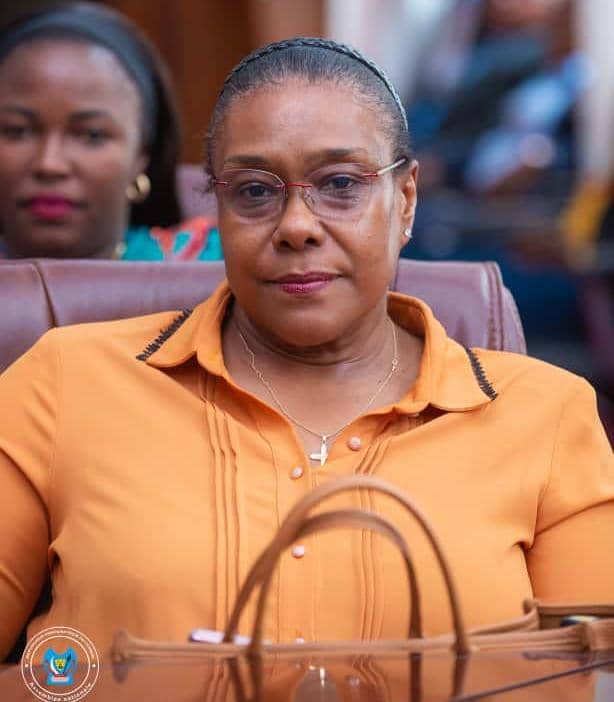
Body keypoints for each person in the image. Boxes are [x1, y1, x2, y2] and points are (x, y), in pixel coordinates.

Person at [0, 37, 612, 663]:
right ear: (218, 207)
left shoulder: (546, 416)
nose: (296, 226)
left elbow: (582, 676)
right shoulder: (65, 383)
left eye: (340, 183)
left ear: (405, 200)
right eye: (255, 191)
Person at [0, 2, 221, 261]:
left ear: (142, 154)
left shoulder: (222, 266)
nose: (50, 164)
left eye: (92, 135)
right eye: (17, 131)